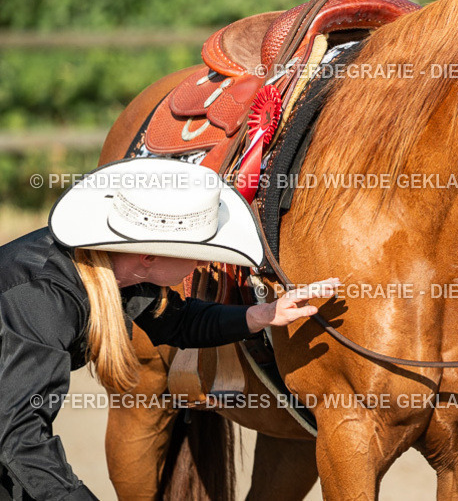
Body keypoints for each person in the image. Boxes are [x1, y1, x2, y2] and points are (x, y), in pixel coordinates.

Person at [0, 157, 339, 500]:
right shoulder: (41, 300)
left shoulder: (116, 271)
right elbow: (20, 436)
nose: (205, 262)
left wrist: (261, 315)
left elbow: (179, 321)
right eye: (196, 251)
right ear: (149, 256)